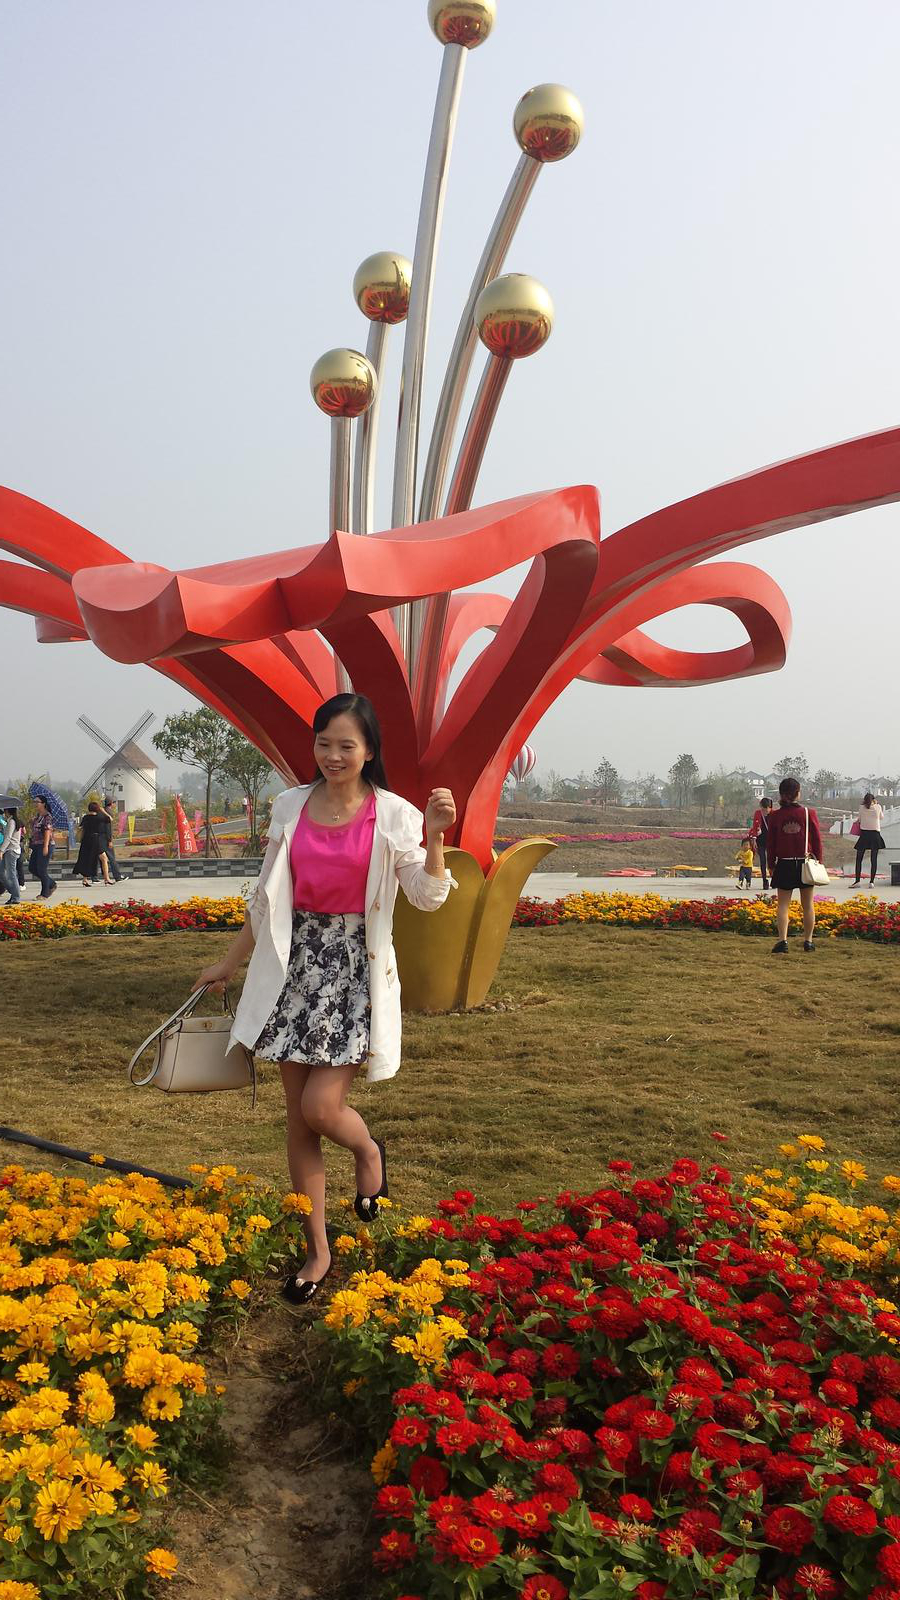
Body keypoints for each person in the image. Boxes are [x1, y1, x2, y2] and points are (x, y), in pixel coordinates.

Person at [193, 693, 456, 1305]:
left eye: (346, 745)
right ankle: (317, 1252)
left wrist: (436, 838)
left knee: (321, 1106)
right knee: (298, 1122)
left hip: (352, 973)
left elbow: (427, 896)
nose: (333, 756)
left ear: (369, 751)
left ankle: (366, 1149)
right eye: (324, 743)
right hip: (293, 969)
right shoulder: (290, 806)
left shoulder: (393, 814)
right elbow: (266, 899)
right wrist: (229, 964)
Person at [766, 776, 823, 954]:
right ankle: (808, 942)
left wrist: (770, 864)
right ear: (798, 793)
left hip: (784, 864)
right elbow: (817, 840)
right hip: (805, 864)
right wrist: (819, 861)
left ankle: (782, 941)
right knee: (808, 905)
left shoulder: (775, 816)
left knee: (783, 905)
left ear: (781, 794)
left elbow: (770, 843)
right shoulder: (808, 813)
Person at [73, 801, 113, 887]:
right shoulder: (99, 817)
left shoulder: (86, 817)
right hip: (95, 840)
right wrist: (103, 811)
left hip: (86, 840)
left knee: (87, 859)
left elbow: (80, 827)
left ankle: (85, 880)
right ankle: (107, 879)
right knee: (104, 858)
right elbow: (110, 819)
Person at [851, 791, 885, 888]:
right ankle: (871, 882)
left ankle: (857, 881)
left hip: (864, 834)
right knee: (873, 860)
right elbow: (881, 817)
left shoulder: (861, 808)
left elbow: (860, 820)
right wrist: (876, 804)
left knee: (859, 859)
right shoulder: (878, 807)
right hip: (875, 835)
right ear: (873, 800)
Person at [28, 796, 57, 898]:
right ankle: (51, 883)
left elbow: (47, 831)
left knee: (41, 869)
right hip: (36, 845)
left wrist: (45, 846)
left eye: (37, 802)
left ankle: (44, 893)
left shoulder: (47, 816)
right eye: (34, 802)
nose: (35, 804)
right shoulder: (37, 817)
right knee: (32, 868)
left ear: (43, 803)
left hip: (45, 844)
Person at [100, 795, 129, 882]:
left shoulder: (102, 811)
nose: (115, 805)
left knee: (99, 857)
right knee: (111, 857)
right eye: (114, 803)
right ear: (111, 803)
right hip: (105, 838)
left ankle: (97, 876)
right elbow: (108, 828)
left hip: (99, 837)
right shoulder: (108, 813)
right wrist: (109, 840)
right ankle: (117, 876)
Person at [749, 796, 773, 890]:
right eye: (763, 809)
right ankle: (764, 881)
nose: (765, 811)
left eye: (766, 809)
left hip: (771, 841)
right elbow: (755, 827)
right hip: (761, 840)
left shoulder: (774, 814)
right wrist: (754, 839)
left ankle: (774, 878)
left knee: (771, 861)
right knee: (763, 861)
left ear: (770, 807)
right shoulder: (758, 813)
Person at [0, 807, 22, 904]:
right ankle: (13, 892)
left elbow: (8, 838)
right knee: (2, 873)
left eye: (5, 811)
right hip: (8, 850)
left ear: (7, 811)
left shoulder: (12, 822)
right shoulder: (10, 821)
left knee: (11, 875)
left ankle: (16, 897)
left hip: (11, 851)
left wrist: (1, 851)